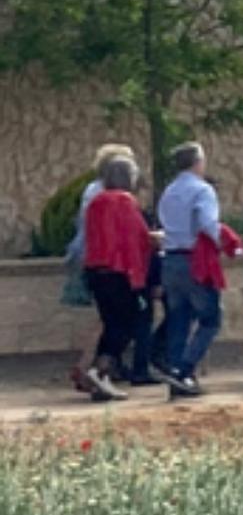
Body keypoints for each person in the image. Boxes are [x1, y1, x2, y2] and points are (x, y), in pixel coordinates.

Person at [77, 153, 152, 401]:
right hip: (119, 271)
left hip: (96, 270)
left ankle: (101, 376)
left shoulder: (96, 202)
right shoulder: (125, 201)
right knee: (126, 324)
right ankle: (101, 369)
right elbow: (136, 237)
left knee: (110, 321)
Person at [156, 141, 222, 397]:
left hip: (171, 259)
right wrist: (223, 242)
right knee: (210, 319)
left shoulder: (169, 191)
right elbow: (208, 223)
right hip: (195, 259)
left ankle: (175, 372)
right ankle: (183, 369)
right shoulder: (202, 191)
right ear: (198, 163)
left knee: (178, 319)